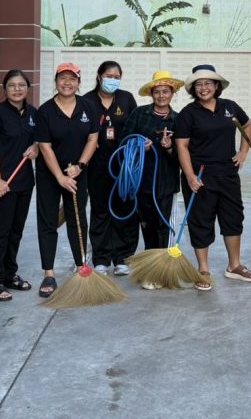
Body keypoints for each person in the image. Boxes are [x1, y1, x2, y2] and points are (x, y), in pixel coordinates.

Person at [174, 64, 251, 291]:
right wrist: (190, 175)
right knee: (201, 221)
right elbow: (181, 146)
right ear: (193, 89)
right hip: (200, 176)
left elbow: (248, 125)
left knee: (233, 218)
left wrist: (243, 152)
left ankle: (234, 266)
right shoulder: (188, 113)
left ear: (216, 86)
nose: (204, 88)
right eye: (199, 84)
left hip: (228, 173)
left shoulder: (229, 107)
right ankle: (203, 269)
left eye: (208, 83)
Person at [34, 62, 98, 298]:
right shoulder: (45, 111)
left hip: (77, 173)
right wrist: (60, 177)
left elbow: (92, 139)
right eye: (62, 78)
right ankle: (49, 273)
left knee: (77, 219)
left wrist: (80, 166)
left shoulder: (88, 107)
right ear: (56, 82)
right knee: (48, 221)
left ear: (79, 82)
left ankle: (81, 266)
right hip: (49, 174)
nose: (67, 83)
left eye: (72, 78)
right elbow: (45, 147)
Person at [121, 70, 185, 290]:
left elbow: (184, 155)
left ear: (172, 93)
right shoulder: (139, 114)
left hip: (166, 183)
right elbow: (124, 142)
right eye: (157, 92)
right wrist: (138, 145)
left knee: (163, 226)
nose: (161, 96)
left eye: (165, 91)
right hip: (142, 181)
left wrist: (169, 148)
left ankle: (161, 270)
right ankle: (150, 269)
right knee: (147, 225)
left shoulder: (178, 119)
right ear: (151, 94)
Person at [0, 70, 39, 302]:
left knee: (16, 232)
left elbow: (40, 140)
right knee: (0, 233)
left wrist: (36, 147)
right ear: (4, 89)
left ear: (28, 88)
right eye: (12, 85)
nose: (17, 89)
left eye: (21, 85)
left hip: (24, 182)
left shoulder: (33, 113)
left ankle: (9, 274)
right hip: (2, 184)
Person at [85, 61, 140, 276]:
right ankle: (101, 258)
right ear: (99, 76)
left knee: (124, 209)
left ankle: (122, 257)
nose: (113, 80)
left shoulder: (126, 99)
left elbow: (136, 126)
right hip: (96, 165)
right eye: (109, 75)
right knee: (100, 210)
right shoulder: (87, 101)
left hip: (123, 165)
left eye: (117, 77)